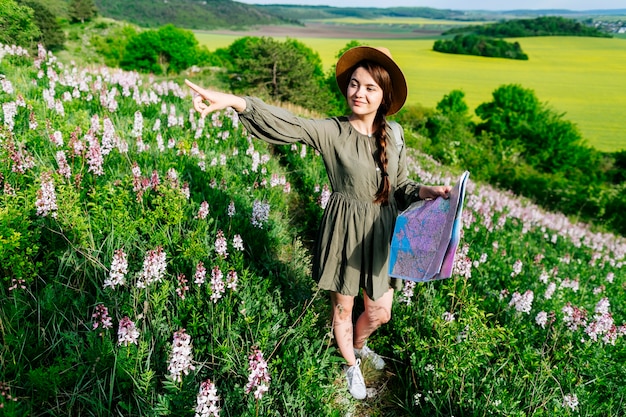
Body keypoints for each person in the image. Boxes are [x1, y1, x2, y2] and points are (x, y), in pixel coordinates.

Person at [185, 45, 451, 400]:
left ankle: (358, 346)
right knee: (343, 306)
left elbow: (400, 188)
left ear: (384, 95)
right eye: (354, 84)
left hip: (384, 231)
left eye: (370, 87)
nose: (359, 93)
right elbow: (288, 123)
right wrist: (236, 102)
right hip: (345, 229)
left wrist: (428, 191)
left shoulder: (396, 134)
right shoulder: (332, 131)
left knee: (379, 312)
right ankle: (349, 365)